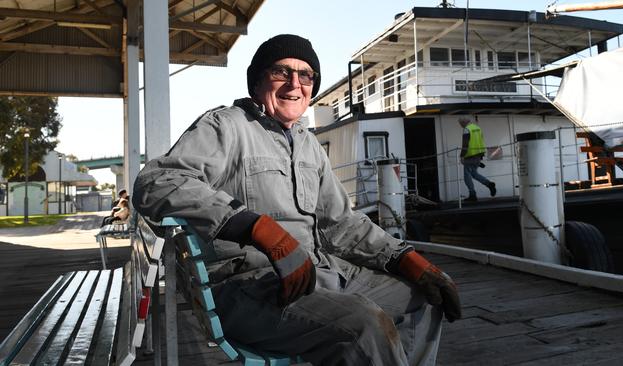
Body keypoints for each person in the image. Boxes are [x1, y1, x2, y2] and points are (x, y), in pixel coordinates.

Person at [132, 34, 460, 365]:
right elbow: (156, 182)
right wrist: (258, 228)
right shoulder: (227, 126)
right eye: (281, 72)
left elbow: (341, 224)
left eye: (306, 75)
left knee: (423, 298)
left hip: (317, 274)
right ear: (257, 81)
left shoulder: (308, 143)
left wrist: (403, 258)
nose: (294, 84)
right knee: (361, 324)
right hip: (250, 285)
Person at [458, 116, 496, 202]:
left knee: (466, 176)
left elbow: (465, 145)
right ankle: (489, 184)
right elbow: (481, 141)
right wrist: (481, 156)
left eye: (460, 123)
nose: (460, 125)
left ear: (464, 122)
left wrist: (462, 156)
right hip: (478, 154)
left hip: (470, 155)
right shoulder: (477, 128)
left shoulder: (466, 129)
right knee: (474, 174)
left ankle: (472, 195)